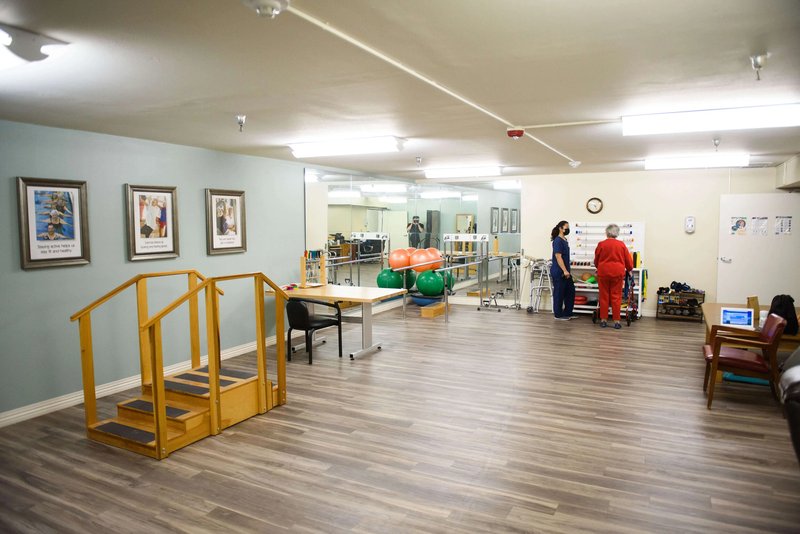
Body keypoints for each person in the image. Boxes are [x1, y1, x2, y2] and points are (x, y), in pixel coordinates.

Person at [594, 223, 634, 329]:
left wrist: (599, 267)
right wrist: (629, 269)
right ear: (617, 233)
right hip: (617, 273)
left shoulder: (601, 244)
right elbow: (628, 261)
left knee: (604, 296)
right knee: (616, 297)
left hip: (603, 273)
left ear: (607, 232)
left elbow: (596, 260)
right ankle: (616, 321)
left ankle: (603, 320)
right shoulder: (621, 245)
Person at [550, 220, 575, 320]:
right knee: (559, 293)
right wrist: (564, 270)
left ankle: (568, 313)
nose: (568, 229)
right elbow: (558, 257)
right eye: (566, 227)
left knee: (570, 291)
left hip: (565, 271)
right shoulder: (557, 241)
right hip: (559, 271)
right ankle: (558, 315)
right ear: (560, 228)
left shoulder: (564, 240)